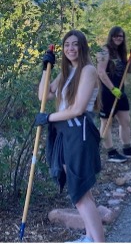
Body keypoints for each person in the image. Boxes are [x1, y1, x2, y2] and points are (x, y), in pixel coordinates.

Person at [34, 29, 105, 243]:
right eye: (67, 45)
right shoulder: (66, 72)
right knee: (82, 192)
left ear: (82, 47)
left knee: (80, 193)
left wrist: (48, 118)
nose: (70, 48)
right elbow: (43, 95)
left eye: (75, 44)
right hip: (65, 133)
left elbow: (77, 108)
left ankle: (98, 241)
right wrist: (47, 68)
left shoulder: (88, 70)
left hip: (79, 133)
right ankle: (90, 237)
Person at [97, 26, 131, 163]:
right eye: (116, 35)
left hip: (120, 91)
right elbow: (100, 72)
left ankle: (127, 148)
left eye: (121, 36)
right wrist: (113, 89)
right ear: (111, 36)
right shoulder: (104, 51)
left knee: (126, 121)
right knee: (106, 123)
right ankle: (111, 152)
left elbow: (128, 71)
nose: (118, 38)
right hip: (107, 92)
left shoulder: (120, 52)